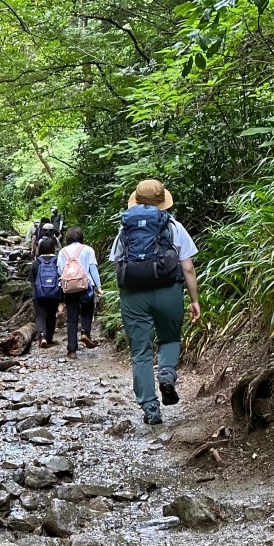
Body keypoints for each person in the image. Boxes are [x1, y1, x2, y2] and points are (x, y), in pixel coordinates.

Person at [109, 178, 201, 425]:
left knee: (140, 352)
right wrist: (194, 300)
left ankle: (151, 409)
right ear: (163, 202)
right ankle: (167, 376)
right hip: (168, 291)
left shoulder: (125, 228)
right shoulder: (173, 226)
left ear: (136, 200)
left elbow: (116, 261)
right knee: (170, 338)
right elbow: (188, 268)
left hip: (133, 296)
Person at [57, 226, 102, 359]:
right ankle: (85, 333)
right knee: (87, 310)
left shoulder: (62, 252)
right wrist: (98, 286)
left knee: (71, 317)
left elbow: (60, 271)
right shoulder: (87, 249)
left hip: (70, 287)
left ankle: (71, 350)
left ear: (68, 239)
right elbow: (93, 268)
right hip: (86, 285)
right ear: (81, 238)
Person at [30, 235, 62, 347]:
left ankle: (42, 336)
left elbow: (32, 280)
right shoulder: (57, 262)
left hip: (38, 294)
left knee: (40, 315)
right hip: (54, 293)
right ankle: (49, 338)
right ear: (53, 248)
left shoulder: (36, 263)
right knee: (51, 315)